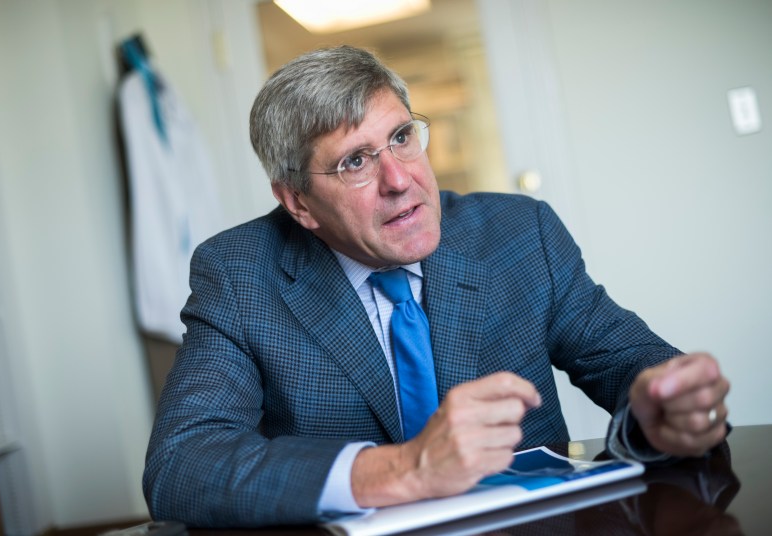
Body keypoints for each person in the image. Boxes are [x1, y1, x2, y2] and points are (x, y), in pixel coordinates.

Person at [143, 45, 730, 528]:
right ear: (298, 202)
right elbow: (181, 466)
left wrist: (665, 408)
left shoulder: (519, 234)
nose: (400, 179)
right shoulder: (240, 274)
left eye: (402, 136)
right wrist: (405, 469)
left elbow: (633, 363)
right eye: (355, 162)